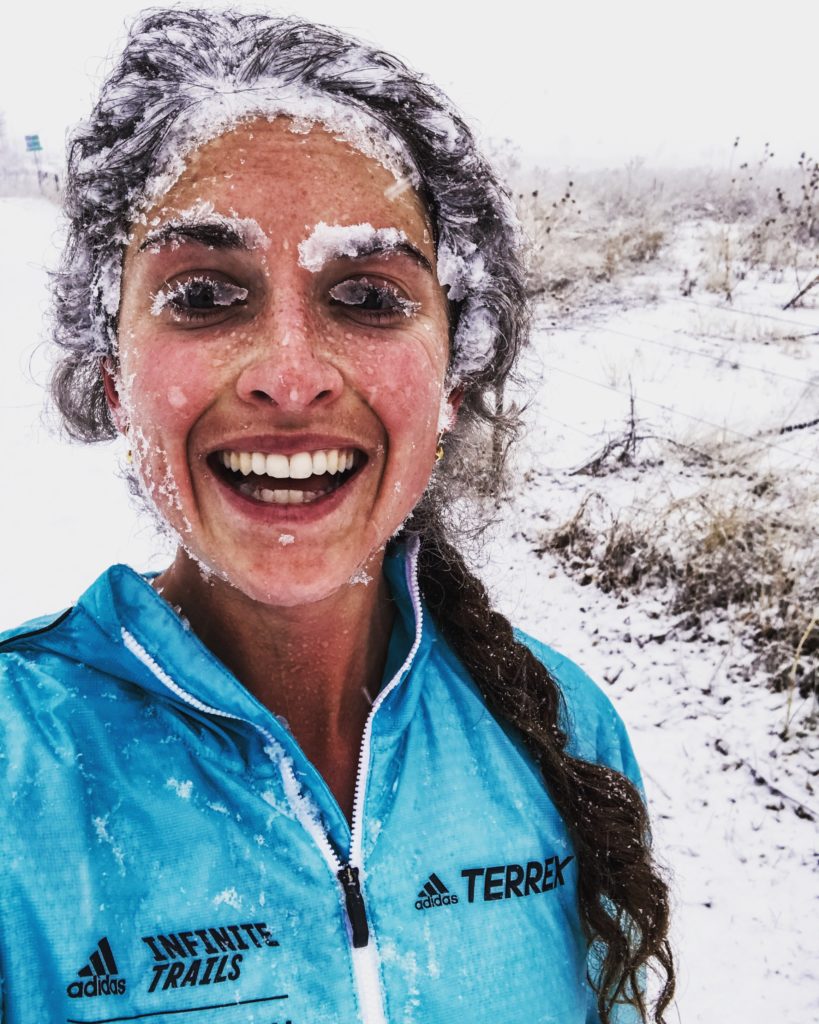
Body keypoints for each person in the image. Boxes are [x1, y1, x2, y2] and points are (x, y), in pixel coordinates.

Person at [0, 9, 674, 1023]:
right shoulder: (18, 779)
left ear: (452, 376)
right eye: (202, 294)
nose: (289, 374)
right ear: (110, 374)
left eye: (365, 296)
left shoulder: (564, 731)